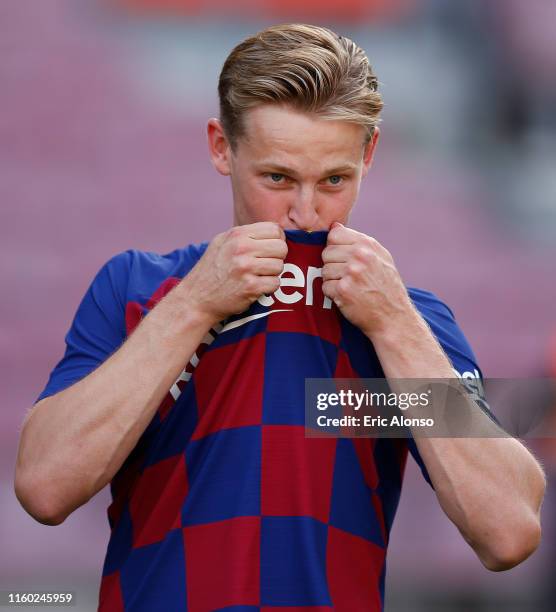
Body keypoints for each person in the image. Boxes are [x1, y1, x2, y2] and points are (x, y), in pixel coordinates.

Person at [15, 23, 545, 611]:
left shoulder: (402, 322)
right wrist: (194, 304)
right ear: (222, 147)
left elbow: (508, 531)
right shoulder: (139, 289)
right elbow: (45, 488)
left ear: (370, 153)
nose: (306, 212)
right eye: (278, 178)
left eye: (335, 180)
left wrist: (394, 325)